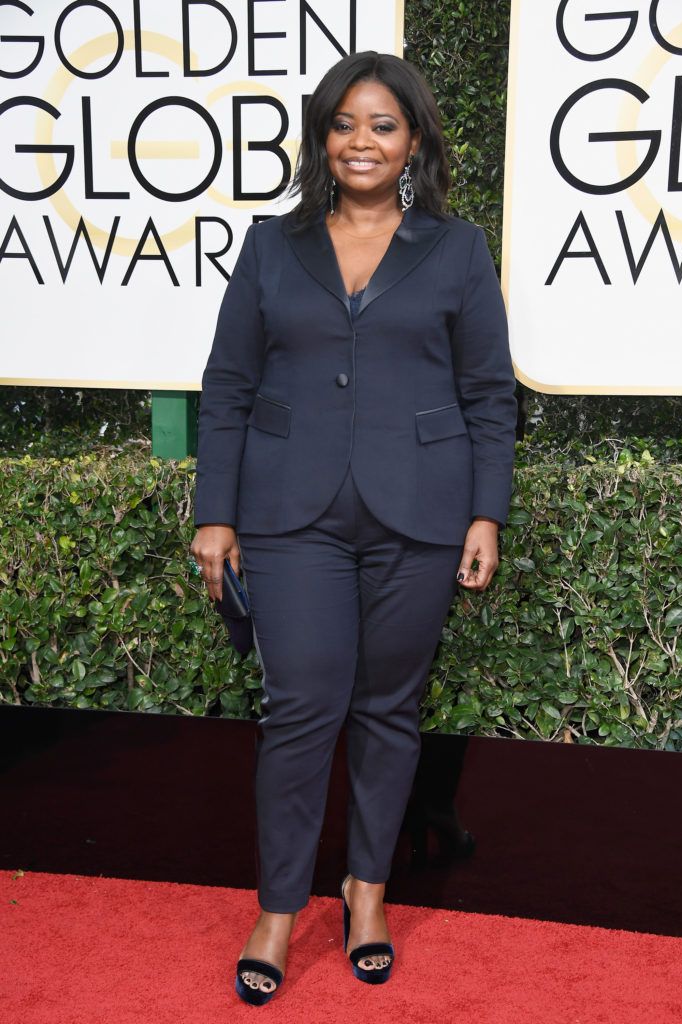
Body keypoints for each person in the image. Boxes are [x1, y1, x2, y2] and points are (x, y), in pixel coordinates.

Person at [189, 50, 518, 1005]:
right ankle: (279, 909)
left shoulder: (456, 248)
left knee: (387, 711)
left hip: (420, 509)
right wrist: (216, 513)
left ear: (413, 139)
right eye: (343, 124)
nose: (361, 141)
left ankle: (366, 893)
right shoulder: (269, 246)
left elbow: (489, 395)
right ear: (321, 140)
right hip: (290, 515)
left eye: (381, 125)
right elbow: (228, 388)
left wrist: (485, 511)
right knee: (300, 711)